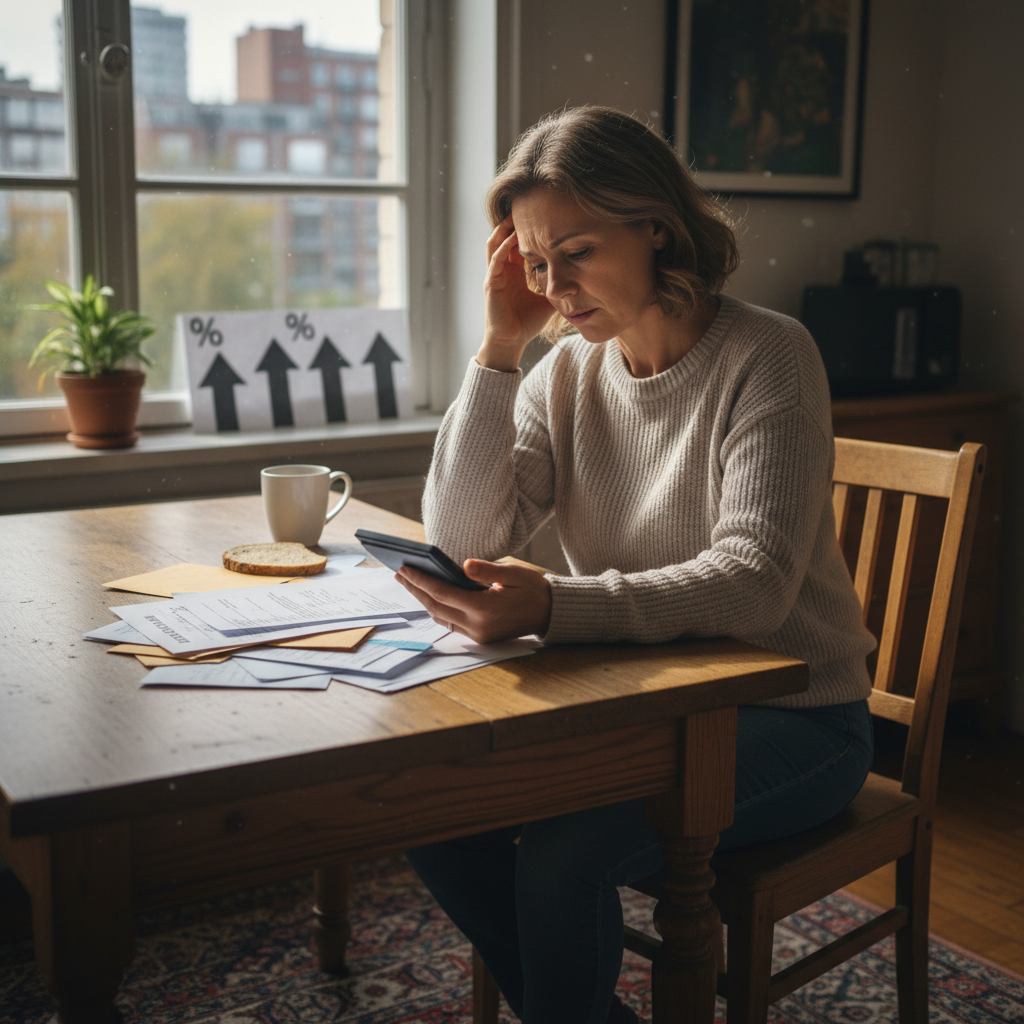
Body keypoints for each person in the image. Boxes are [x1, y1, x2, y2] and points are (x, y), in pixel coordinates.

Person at [395, 106, 876, 1024]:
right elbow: (464, 535)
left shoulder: (770, 354)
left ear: (656, 226)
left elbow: (756, 581)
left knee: (560, 856)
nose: (555, 285)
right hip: (647, 710)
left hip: (798, 717)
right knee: (433, 811)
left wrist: (553, 607)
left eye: (575, 250)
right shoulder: (566, 371)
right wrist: (500, 348)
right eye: (536, 262)